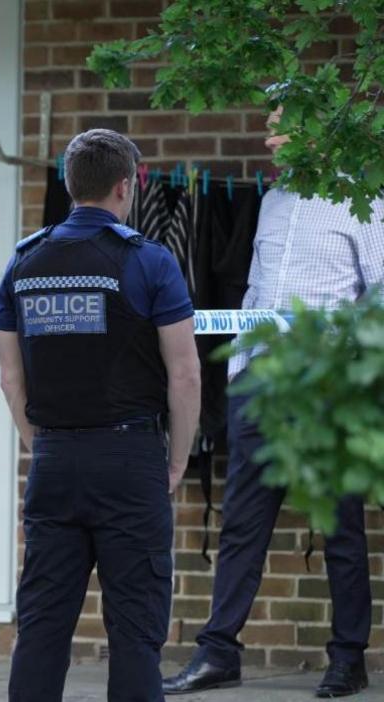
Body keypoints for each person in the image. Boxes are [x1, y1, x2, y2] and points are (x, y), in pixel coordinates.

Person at [163, 108, 384, 698]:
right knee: (242, 523)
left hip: (324, 385)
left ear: (315, 129)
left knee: (340, 527)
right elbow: (258, 292)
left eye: (281, 124)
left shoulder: (358, 198)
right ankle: (219, 653)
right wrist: (240, 370)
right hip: (259, 384)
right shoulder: (274, 199)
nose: (268, 136)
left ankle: (348, 657)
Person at [0, 129, 201, 701]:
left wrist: (41, 445)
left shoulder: (23, 262)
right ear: (125, 186)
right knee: (135, 632)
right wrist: (177, 461)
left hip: (55, 462)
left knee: (41, 627)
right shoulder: (149, 262)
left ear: (68, 184)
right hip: (131, 461)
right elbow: (184, 374)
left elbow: (12, 376)